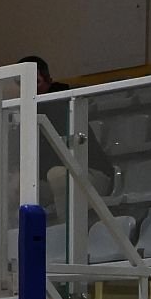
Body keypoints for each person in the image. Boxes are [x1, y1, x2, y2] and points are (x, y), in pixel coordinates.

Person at [21, 55, 115, 204]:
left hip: (89, 171)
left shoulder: (66, 104)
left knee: (57, 175)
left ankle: (67, 220)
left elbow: (61, 156)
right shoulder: (18, 114)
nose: (30, 88)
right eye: (22, 84)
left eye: (36, 82)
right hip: (44, 177)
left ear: (48, 80)